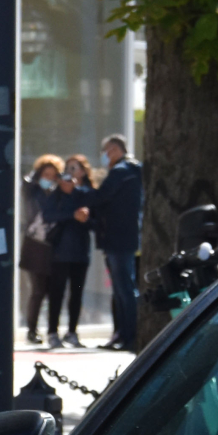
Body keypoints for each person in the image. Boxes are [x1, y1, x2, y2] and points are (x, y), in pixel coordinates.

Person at [90, 134, 144, 352]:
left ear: (116, 149)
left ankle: (128, 335)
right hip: (122, 238)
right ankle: (122, 334)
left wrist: (80, 192)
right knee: (122, 290)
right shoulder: (132, 172)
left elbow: (101, 197)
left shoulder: (122, 172)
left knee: (125, 290)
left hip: (119, 239)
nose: (105, 155)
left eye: (107, 150)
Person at [41, 156, 94, 349]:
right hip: (59, 254)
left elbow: (95, 221)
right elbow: (47, 216)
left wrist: (85, 218)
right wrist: (71, 215)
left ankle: (72, 332)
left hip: (80, 254)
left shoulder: (85, 194)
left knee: (76, 294)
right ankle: (52, 332)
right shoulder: (54, 195)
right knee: (56, 293)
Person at [21, 154, 62, 344]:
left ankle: (51, 329)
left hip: (51, 246)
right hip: (34, 245)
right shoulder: (32, 189)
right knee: (37, 290)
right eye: (46, 174)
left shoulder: (56, 193)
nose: (49, 179)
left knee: (49, 290)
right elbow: (26, 185)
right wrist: (33, 179)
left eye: (53, 175)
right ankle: (32, 329)